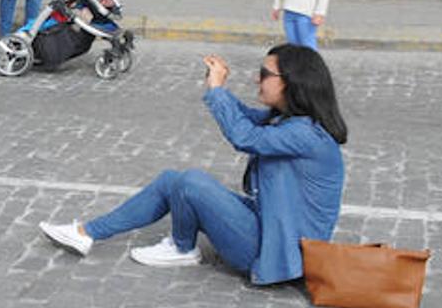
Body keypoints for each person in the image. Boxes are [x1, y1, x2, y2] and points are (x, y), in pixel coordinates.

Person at [41, 46, 347, 281]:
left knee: (191, 182)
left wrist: (216, 91)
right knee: (172, 179)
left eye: (265, 74)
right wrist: (218, 89)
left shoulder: (306, 134)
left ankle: (182, 247)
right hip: (268, 226)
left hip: (278, 250)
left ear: (292, 83)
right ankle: (87, 232)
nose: (257, 78)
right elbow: (245, 118)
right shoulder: (290, 120)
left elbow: (244, 136)